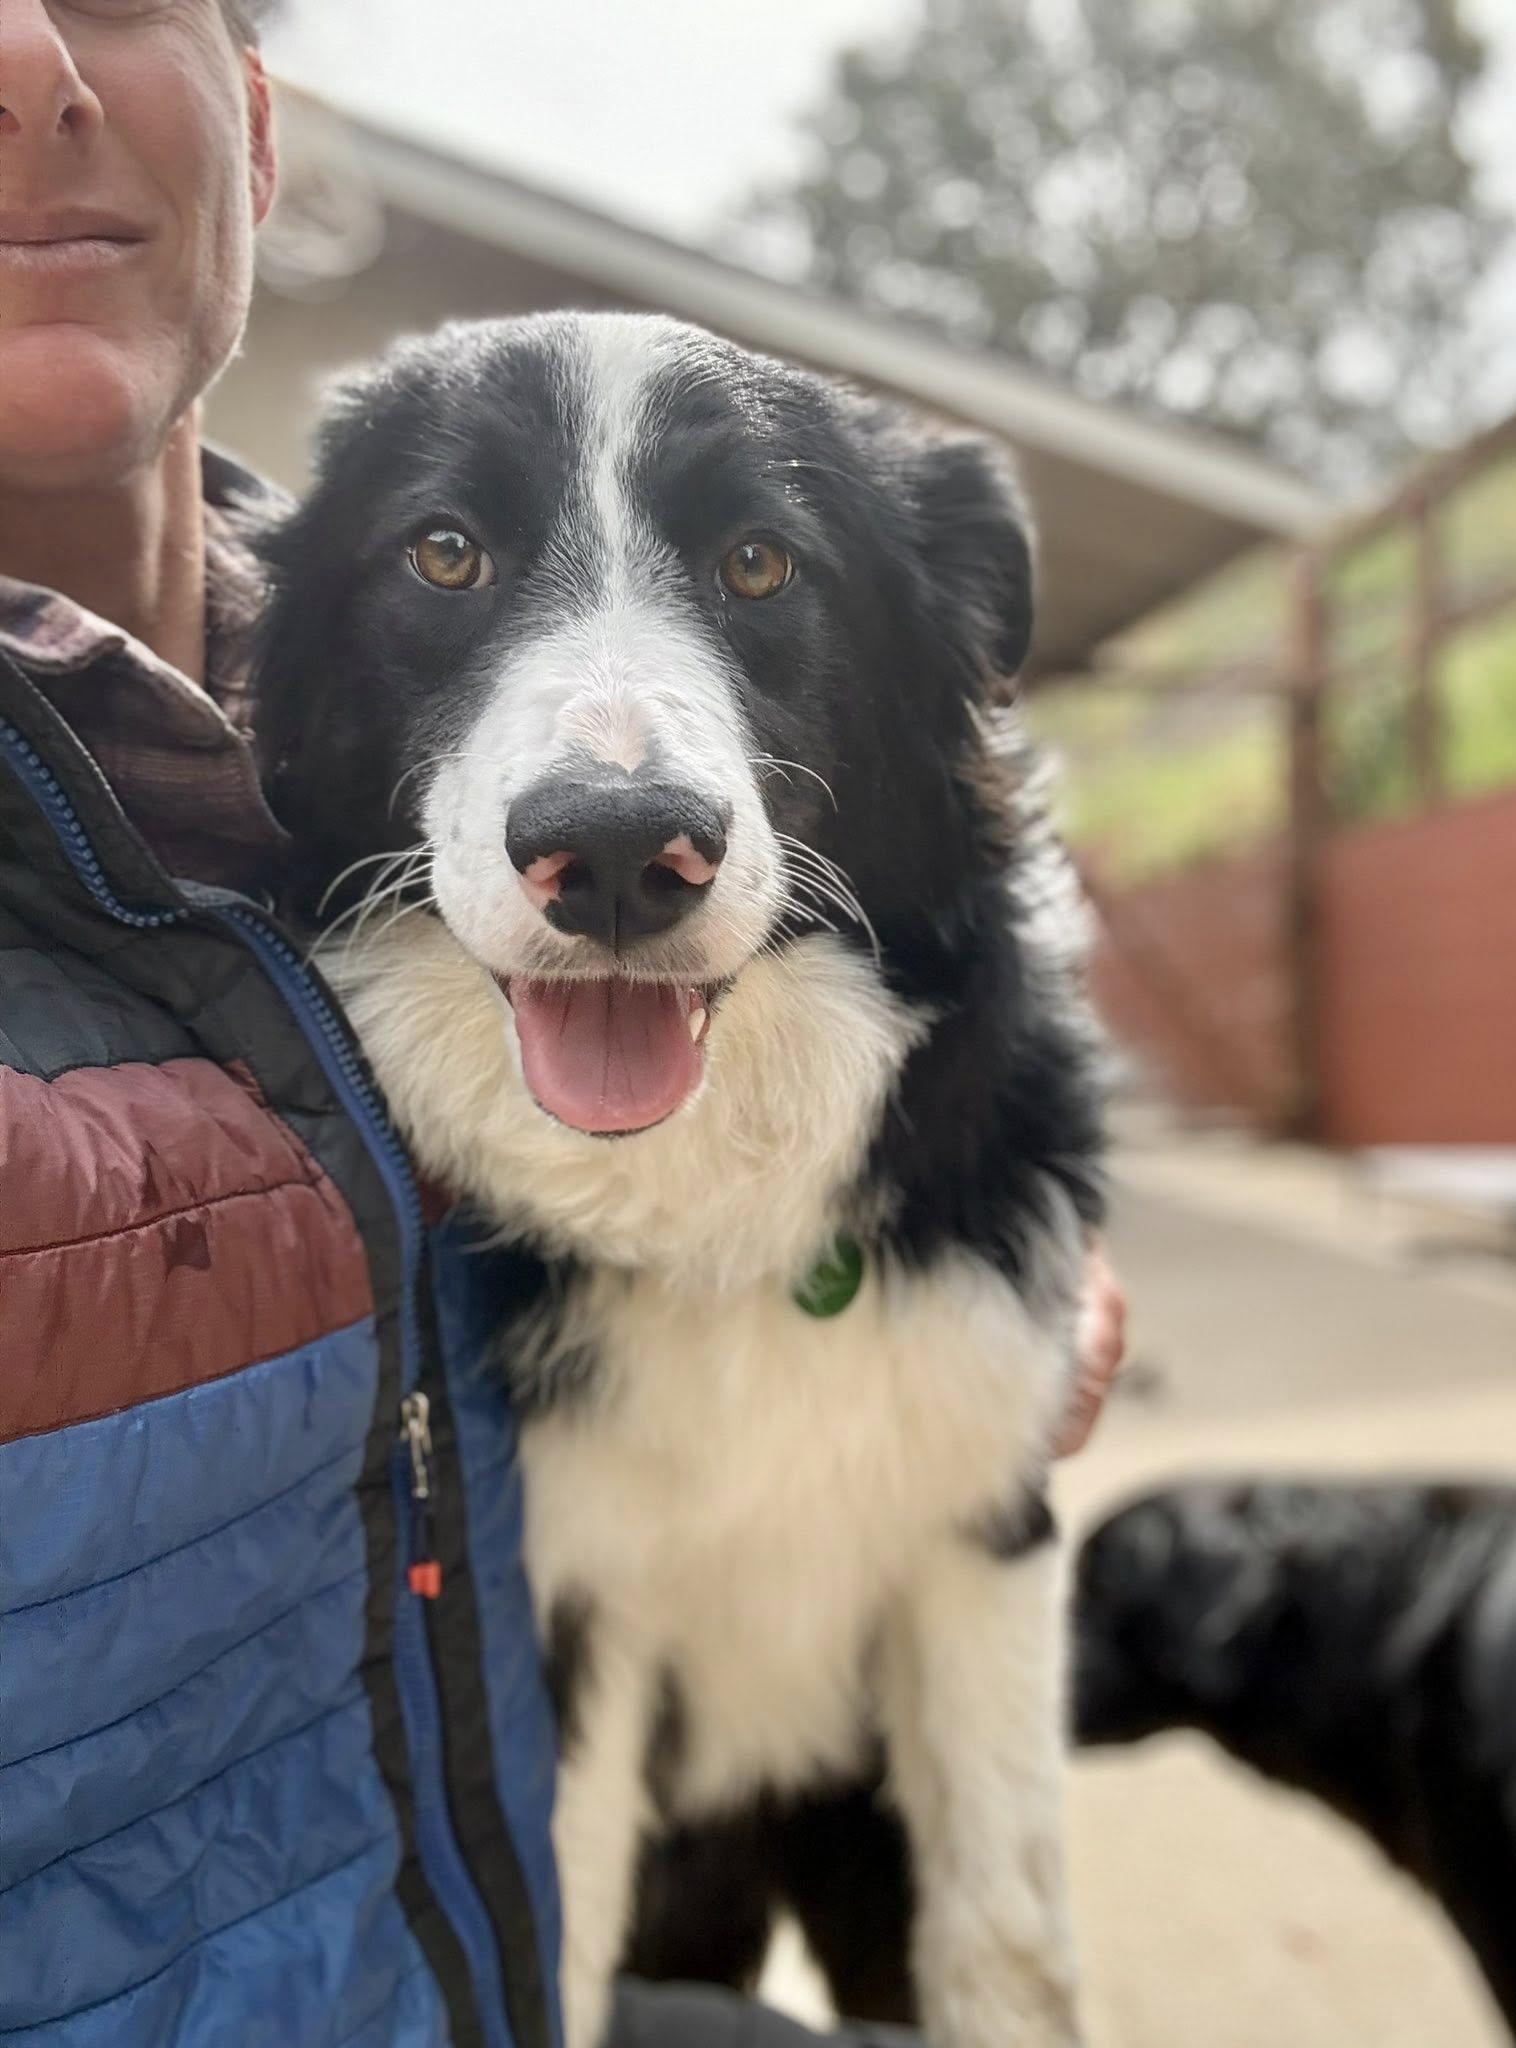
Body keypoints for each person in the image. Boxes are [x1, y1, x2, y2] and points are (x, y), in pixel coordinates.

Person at [0, 3, 1127, 2043]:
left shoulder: (300, 708)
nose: (19, 54)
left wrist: (928, 1252)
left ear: (255, 133)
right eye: (457, 551)